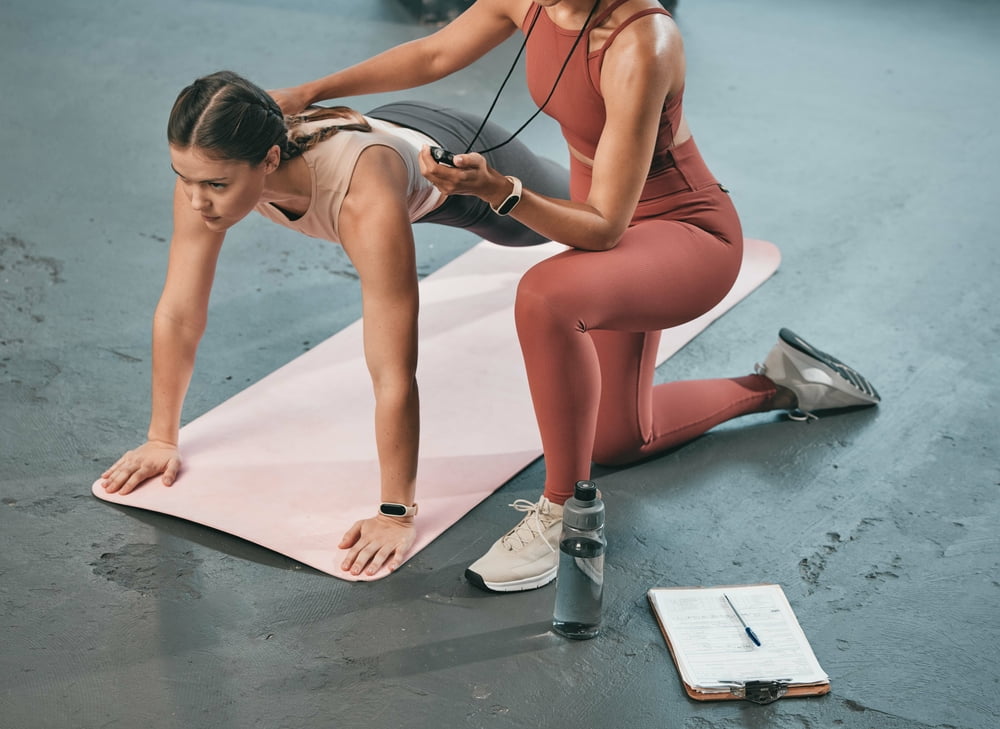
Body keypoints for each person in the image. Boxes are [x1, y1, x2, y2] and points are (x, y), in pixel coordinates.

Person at [271, 0, 881, 593]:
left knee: (546, 295)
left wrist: (501, 191)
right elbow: (434, 53)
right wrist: (306, 94)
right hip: (611, 235)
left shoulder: (643, 41)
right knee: (617, 442)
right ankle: (788, 382)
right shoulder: (532, 2)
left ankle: (564, 515)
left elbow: (605, 228)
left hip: (681, 234)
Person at [99, 70, 570, 577]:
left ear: (269, 160)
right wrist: (161, 438)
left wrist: (395, 512)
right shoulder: (206, 174)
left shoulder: (362, 201)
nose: (196, 200)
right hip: (385, 135)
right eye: (183, 177)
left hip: (463, 158)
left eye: (216, 185)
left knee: (583, 212)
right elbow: (179, 312)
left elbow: (393, 369)